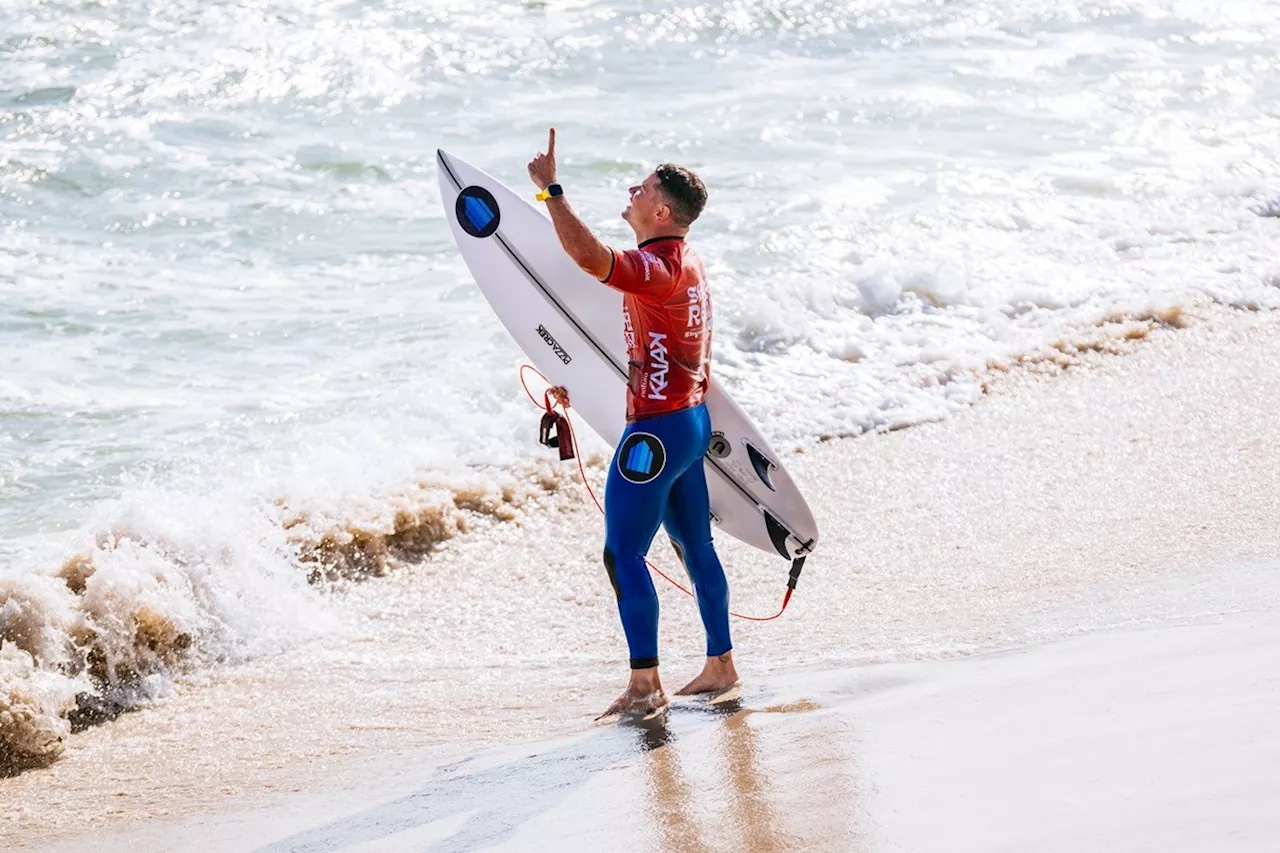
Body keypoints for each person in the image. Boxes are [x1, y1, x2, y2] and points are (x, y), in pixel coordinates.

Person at [527, 128, 736, 718]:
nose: (632, 190)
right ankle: (721, 665)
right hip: (689, 426)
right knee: (695, 545)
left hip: (656, 435)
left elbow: (592, 260)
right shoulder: (688, 262)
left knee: (623, 554)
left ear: (661, 210)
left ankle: (646, 685)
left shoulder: (657, 268)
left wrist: (551, 193)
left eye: (641, 188)